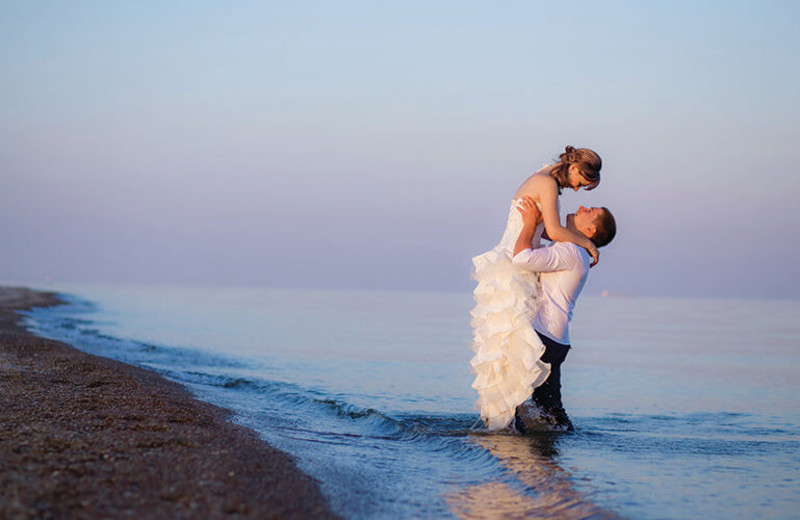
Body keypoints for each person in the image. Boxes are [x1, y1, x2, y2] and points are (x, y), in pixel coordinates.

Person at [470, 146, 603, 431]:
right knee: (511, 356)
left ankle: (513, 428)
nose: (578, 191)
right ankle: (513, 426)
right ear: (576, 169)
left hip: (521, 262)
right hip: (515, 267)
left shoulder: (547, 181)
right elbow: (554, 233)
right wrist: (588, 243)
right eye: (582, 184)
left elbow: (546, 239)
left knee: (514, 357)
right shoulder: (547, 183)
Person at [511, 196, 616, 432]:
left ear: (589, 229)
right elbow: (552, 231)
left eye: (588, 210)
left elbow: (521, 259)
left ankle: (518, 456)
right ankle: (549, 460)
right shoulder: (574, 248)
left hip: (544, 338)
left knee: (513, 399)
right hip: (553, 338)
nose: (580, 207)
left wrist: (529, 224)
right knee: (550, 413)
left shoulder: (570, 250)